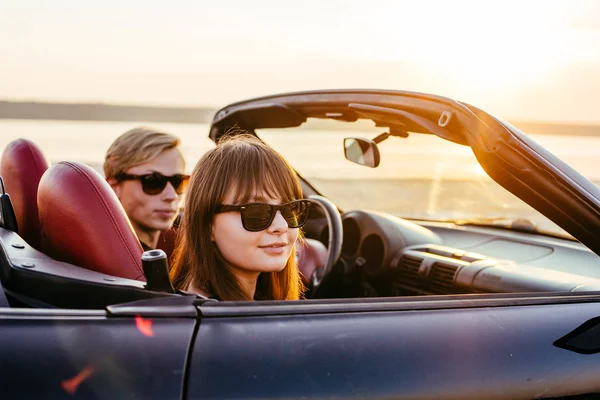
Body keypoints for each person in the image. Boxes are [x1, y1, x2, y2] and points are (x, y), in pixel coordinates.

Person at [169, 133, 309, 301]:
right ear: (206, 224)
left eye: (290, 209)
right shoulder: (214, 319)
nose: (281, 225)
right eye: (256, 211)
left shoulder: (227, 310)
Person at [103, 127, 189, 251]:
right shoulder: (100, 259)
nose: (172, 196)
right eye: (153, 181)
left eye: (178, 182)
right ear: (113, 187)